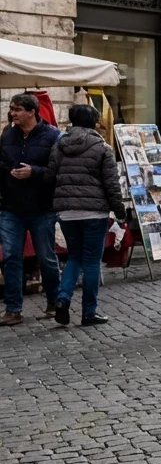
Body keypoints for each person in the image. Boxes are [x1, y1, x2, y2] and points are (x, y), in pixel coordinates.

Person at [46, 104, 124, 327]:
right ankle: (89, 312)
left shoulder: (59, 145)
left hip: (67, 211)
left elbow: (50, 177)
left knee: (74, 257)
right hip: (94, 212)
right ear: (93, 122)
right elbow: (111, 185)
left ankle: (62, 299)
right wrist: (119, 212)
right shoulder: (102, 147)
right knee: (91, 261)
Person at [0, 93, 62, 326]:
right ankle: (13, 309)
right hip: (11, 207)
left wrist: (33, 172)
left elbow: (57, 171)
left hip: (41, 207)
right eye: (12, 109)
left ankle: (54, 301)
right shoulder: (7, 134)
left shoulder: (53, 136)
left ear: (31, 111)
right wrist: (7, 173)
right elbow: (2, 163)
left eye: (17, 109)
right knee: (11, 258)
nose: (13, 113)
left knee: (46, 257)